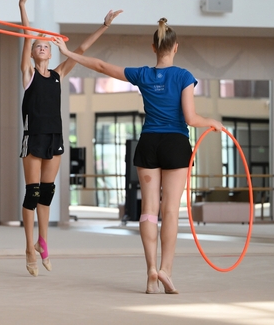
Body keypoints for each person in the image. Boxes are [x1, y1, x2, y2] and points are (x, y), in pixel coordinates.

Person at [52, 18, 222, 294]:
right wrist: (213, 122)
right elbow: (191, 118)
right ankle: (166, 270)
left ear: (153, 47)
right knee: (169, 211)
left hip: (148, 144)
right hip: (175, 144)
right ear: (175, 47)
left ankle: (150, 271)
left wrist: (69, 53)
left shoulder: (142, 74)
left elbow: (101, 66)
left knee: (148, 211)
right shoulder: (183, 76)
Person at [18, 0, 121, 277]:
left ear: (50, 54)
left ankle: (43, 241)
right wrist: (23, 7)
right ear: (34, 54)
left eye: (46, 46)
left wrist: (104, 25)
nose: (42, 47)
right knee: (31, 194)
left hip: (54, 138)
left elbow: (82, 50)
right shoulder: (27, 74)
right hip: (32, 138)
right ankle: (28, 246)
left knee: (46, 194)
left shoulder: (59, 73)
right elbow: (26, 37)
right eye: (39, 46)